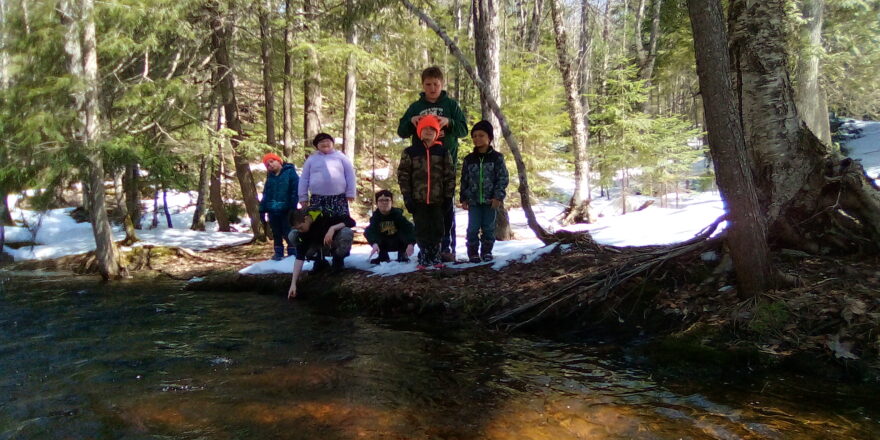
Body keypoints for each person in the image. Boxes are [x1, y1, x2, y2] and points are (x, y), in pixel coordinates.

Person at [397, 66, 468, 263]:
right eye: (428, 84)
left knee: (445, 210)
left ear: (442, 84)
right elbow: (402, 132)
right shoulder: (415, 106)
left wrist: (449, 122)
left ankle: (446, 248)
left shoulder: (451, 105)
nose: (432, 88)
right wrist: (411, 121)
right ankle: (425, 250)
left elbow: (463, 130)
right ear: (423, 85)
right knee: (422, 214)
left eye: (436, 84)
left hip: (444, 163)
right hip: (420, 166)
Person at [397, 115, 455, 269]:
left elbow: (450, 175)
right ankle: (424, 256)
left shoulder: (443, 151)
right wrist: (407, 196)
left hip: (438, 199)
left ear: (437, 132)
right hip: (418, 199)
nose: (428, 132)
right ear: (419, 131)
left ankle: (435, 256)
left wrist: (448, 196)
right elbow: (403, 175)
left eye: (432, 129)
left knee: (437, 229)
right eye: (425, 129)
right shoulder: (410, 152)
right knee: (421, 229)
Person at [460, 121, 509, 263]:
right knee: (472, 228)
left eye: (481, 135)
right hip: (473, 201)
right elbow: (464, 179)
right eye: (474, 136)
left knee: (488, 228)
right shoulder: (469, 159)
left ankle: (487, 251)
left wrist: (498, 197)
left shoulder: (497, 158)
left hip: (491, 201)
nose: (477, 139)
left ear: (489, 137)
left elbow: (502, 178)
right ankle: (473, 253)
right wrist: (463, 198)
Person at [287, 208, 355, 299]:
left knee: (346, 232)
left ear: (306, 218)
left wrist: (333, 228)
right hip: (318, 247)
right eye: (298, 229)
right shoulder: (303, 233)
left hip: (333, 243)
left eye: (300, 227)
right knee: (293, 235)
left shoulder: (324, 215)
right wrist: (293, 284)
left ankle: (338, 260)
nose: (300, 230)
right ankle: (319, 261)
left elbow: (351, 221)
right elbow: (299, 258)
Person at [298, 133, 357, 217]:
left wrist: (351, 193)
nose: (325, 143)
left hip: (339, 198)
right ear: (317, 145)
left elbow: (350, 175)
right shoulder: (311, 159)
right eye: (321, 141)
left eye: (327, 141)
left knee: (340, 222)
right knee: (318, 223)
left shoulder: (341, 157)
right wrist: (303, 197)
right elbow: (304, 179)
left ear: (332, 143)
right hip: (317, 199)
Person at [258, 153, 299, 261]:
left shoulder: (290, 172)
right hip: (272, 210)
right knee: (276, 233)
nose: (270, 165)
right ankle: (278, 254)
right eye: (267, 165)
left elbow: (295, 190)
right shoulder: (270, 177)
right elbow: (266, 194)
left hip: (286, 209)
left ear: (278, 161)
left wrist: (292, 206)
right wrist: (262, 209)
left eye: (271, 161)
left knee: (288, 231)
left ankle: (292, 253)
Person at [364, 190, 416, 264]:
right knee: (370, 231)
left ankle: (403, 255)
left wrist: (411, 243)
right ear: (377, 203)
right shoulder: (375, 218)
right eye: (381, 200)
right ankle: (382, 256)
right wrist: (374, 243)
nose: (384, 202)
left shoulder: (398, 216)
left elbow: (410, 229)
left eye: (387, 200)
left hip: (399, 242)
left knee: (404, 230)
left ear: (392, 202)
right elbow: (370, 231)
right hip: (383, 243)